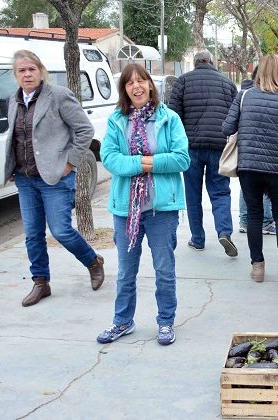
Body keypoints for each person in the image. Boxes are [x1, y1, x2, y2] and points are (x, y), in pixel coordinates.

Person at [97, 64, 190, 345]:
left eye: (142, 80)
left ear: (151, 85)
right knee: (126, 271)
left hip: (162, 209)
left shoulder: (169, 118)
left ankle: (165, 322)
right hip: (126, 210)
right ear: (124, 90)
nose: (136, 86)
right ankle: (122, 321)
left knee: (164, 269)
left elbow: (182, 158)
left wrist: (143, 165)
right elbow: (110, 159)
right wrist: (145, 162)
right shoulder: (116, 120)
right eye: (129, 83)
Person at [4, 49, 105, 307]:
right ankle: (41, 282)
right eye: (21, 71)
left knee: (60, 230)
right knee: (32, 234)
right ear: (16, 75)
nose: (27, 74)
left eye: (31, 69)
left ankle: (93, 262)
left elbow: (85, 129)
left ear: (40, 71)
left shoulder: (58, 96)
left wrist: (70, 162)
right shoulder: (13, 100)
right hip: (25, 178)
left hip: (55, 178)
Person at [222, 54, 278, 283]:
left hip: (250, 167)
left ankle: (257, 266)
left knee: (255, 214)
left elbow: (226, 127)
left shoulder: (245, 96)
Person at [169, 49, 239, 257]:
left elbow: (174, 117)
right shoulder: (227, 84)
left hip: (190, 148)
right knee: (220, 191)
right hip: (219, 147)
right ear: (211, 62)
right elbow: (235, 117)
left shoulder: (182, 81)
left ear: (195, 63)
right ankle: (224, 232)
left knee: (192, 193)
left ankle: (198, 239)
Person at [238, 66, 275, 235]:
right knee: (267, 185)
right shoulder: (272, 97)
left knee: (247, 187)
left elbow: (229, 124)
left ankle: (245, 220)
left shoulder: (243, 95)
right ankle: (266, 222)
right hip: (266, 150)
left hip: (245, 150)